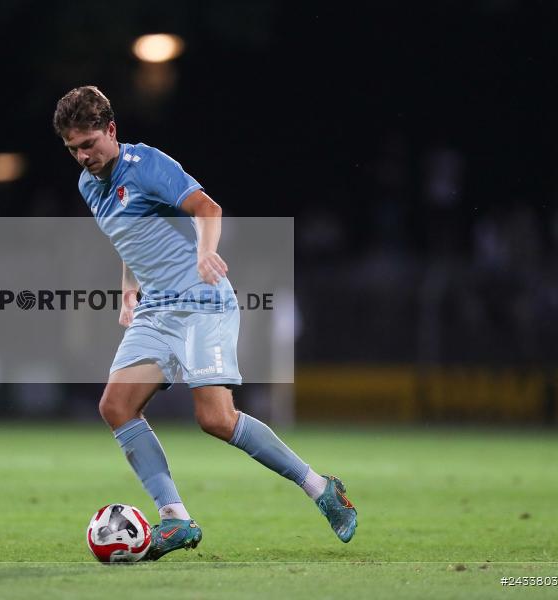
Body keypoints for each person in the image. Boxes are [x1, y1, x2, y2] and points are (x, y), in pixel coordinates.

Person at [53, 85, 357, 560]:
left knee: (215, 419)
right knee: (116, 406)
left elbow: (207, 208)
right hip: (156, 307)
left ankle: (321, 488)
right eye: (73, 149)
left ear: (111, 130)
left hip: (201, 300)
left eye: (89, 143)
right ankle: (175, 519)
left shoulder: (147, 165)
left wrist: (204, 252)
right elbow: (130, 240)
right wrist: (128, 286)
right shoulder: (88, 185)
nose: (83, 156)